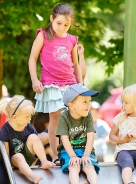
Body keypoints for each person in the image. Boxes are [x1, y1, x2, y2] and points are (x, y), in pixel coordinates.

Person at [28, 3, 83, 164]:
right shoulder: (43, 35)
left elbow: (76, 64)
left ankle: (74, 152)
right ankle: (56, 155)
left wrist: (81, 85)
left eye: (66, 25)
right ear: (52, 18)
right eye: (59, 23)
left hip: (70, 84)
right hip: (51, 84)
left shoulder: (72, 40)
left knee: (73, 117)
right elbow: (32, 58)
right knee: (55, 118)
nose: (62, 27)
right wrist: (34, 80)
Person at [0, 95, 55, 184]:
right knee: (19, 156)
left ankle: (44, 162)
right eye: (27, 116)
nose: (29, 119)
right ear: (15, 117)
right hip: (15, 160)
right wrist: (9, 166)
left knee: (33, 137)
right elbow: (5, 151)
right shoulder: (5, 129)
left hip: (28, 156)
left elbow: (36, 142)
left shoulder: (28, 126)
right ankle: (33, 177)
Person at [56, 83, 100, 184]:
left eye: (89, 101)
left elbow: (90, 135)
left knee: (89, 166)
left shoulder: (88, 115)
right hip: (68, 151)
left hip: (85, 150)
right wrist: (73, 156)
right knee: (74, 166)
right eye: (85, 102)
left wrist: (86, 155)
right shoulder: (64, 117)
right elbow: (64, 139)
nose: (89, 105)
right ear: (71, 105)